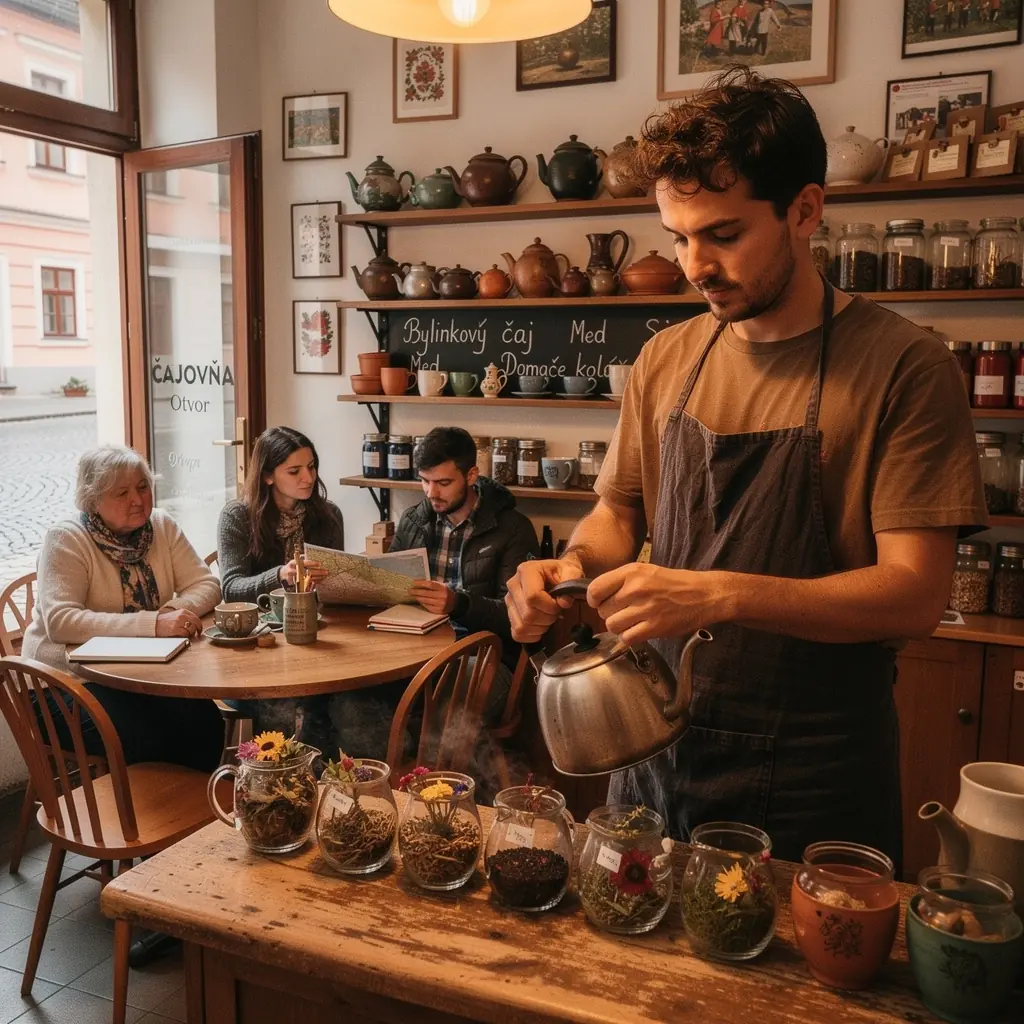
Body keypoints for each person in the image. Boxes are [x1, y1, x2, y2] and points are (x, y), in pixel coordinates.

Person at [505, 67, 986, 870]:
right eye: (678, 238)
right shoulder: (668, 357)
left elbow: (916, 594)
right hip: (654, 746)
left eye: (723, 235)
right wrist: (571, 568)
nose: (695, 265)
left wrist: (719, 591)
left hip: (817, 769)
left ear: (805, 210)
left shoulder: (906, 365)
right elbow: (619, 513)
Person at [22, 445, 224, 770]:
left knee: (205, 721)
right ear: (93, 500)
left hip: (136, 675)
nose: (138, 499)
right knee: (148, 736)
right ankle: (148, 818)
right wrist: (154, 624)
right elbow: (61, 622)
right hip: (62, 684)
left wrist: (171, 612)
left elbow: (207, 585)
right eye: (122, 492)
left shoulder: (160, 526)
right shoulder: (66, 539)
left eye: (142, 487)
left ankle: (195, 816)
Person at [391, 427, 539, 722]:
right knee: (355, 701)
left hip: (484, 656)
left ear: (471, 476)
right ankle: (393, 765)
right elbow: (391, 589)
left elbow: (518, 618)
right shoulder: (413, 521)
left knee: (445, 714)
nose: (432, 493)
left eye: (443, 483)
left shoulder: (513, 529)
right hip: (413, 651)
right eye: (425, 481)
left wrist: (457, 604)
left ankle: (429, 767)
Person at [217, 426, 345, 746]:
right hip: (258, 649)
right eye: (295, 470)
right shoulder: (238, 516)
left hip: (314, 638)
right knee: (279, 701)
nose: (308, 478)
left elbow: (334, 590)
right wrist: (281, 575)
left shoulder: (328, 516)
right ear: (268, 476)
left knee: (345, 699)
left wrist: (343, 579)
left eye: (312, 466)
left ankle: (320, 776)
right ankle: (272, 780)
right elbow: (231, 588)